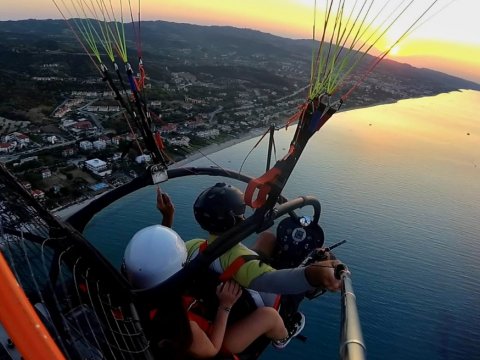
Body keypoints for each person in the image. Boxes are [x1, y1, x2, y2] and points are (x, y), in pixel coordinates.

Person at [122, 225, 304, 359]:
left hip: (197, 316)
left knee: (266, 239)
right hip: (219, 342)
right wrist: (225, 306)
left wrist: (166, 220)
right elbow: (213, 349)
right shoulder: (180, 328)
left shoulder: (136, 295)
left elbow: (155, 266)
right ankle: (283, 336)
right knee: (269, 316)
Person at [157, 182, 342, 299]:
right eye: (242, 213)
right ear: (233, 220)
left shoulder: (193, 246)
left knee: (267, 237)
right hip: (254, 297)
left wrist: (168, 217)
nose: (245, 218)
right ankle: (285, 331)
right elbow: (277, 282)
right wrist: (315, 273)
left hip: (217, 279)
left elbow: (165, 254)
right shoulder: (242, 262)